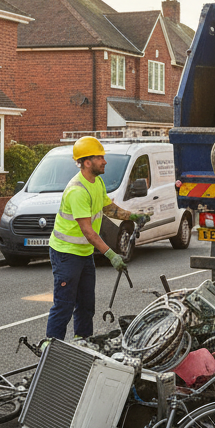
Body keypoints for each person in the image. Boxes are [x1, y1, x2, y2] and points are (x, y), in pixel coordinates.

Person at [46, 136, 150, 341]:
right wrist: (112, 255)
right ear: (87, 162)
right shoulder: (77, 190)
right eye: (100, 157)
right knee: (64, 304)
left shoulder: (97, 182)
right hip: (66, 254)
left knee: (86, 303)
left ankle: (82, 341)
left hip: (83, 253)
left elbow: (108, 208)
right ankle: (51, 346)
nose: (105, 161)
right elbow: (88, 231)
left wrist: (133, 216)